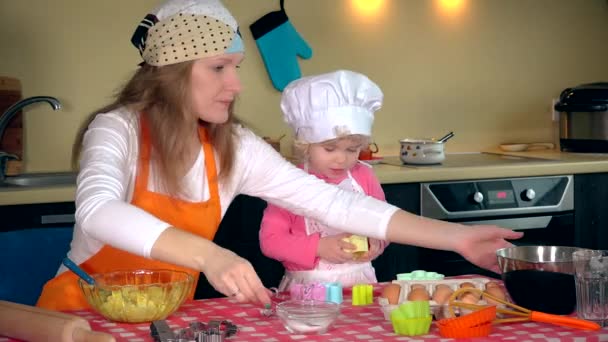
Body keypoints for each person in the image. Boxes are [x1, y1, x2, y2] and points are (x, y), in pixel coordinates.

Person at [36, 0, 522, 311]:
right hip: (81, 310)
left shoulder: (233, 145)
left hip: (166, 311)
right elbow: (99, 212)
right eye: (220, 67)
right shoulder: (116, 128)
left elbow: (338, 205)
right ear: (172, 71)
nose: (237, 84)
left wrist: (455, 238)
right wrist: (210, 255)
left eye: (237, 67)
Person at [260, 70, 390, 290]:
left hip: (361, 285)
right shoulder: (289, 183)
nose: (341, 158)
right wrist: (317, 247)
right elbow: (270, 241)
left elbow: (387, 223)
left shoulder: (364, 177)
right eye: (329, 149)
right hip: (308, 291)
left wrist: (376, 242)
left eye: (352, 149)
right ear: (305, 144)